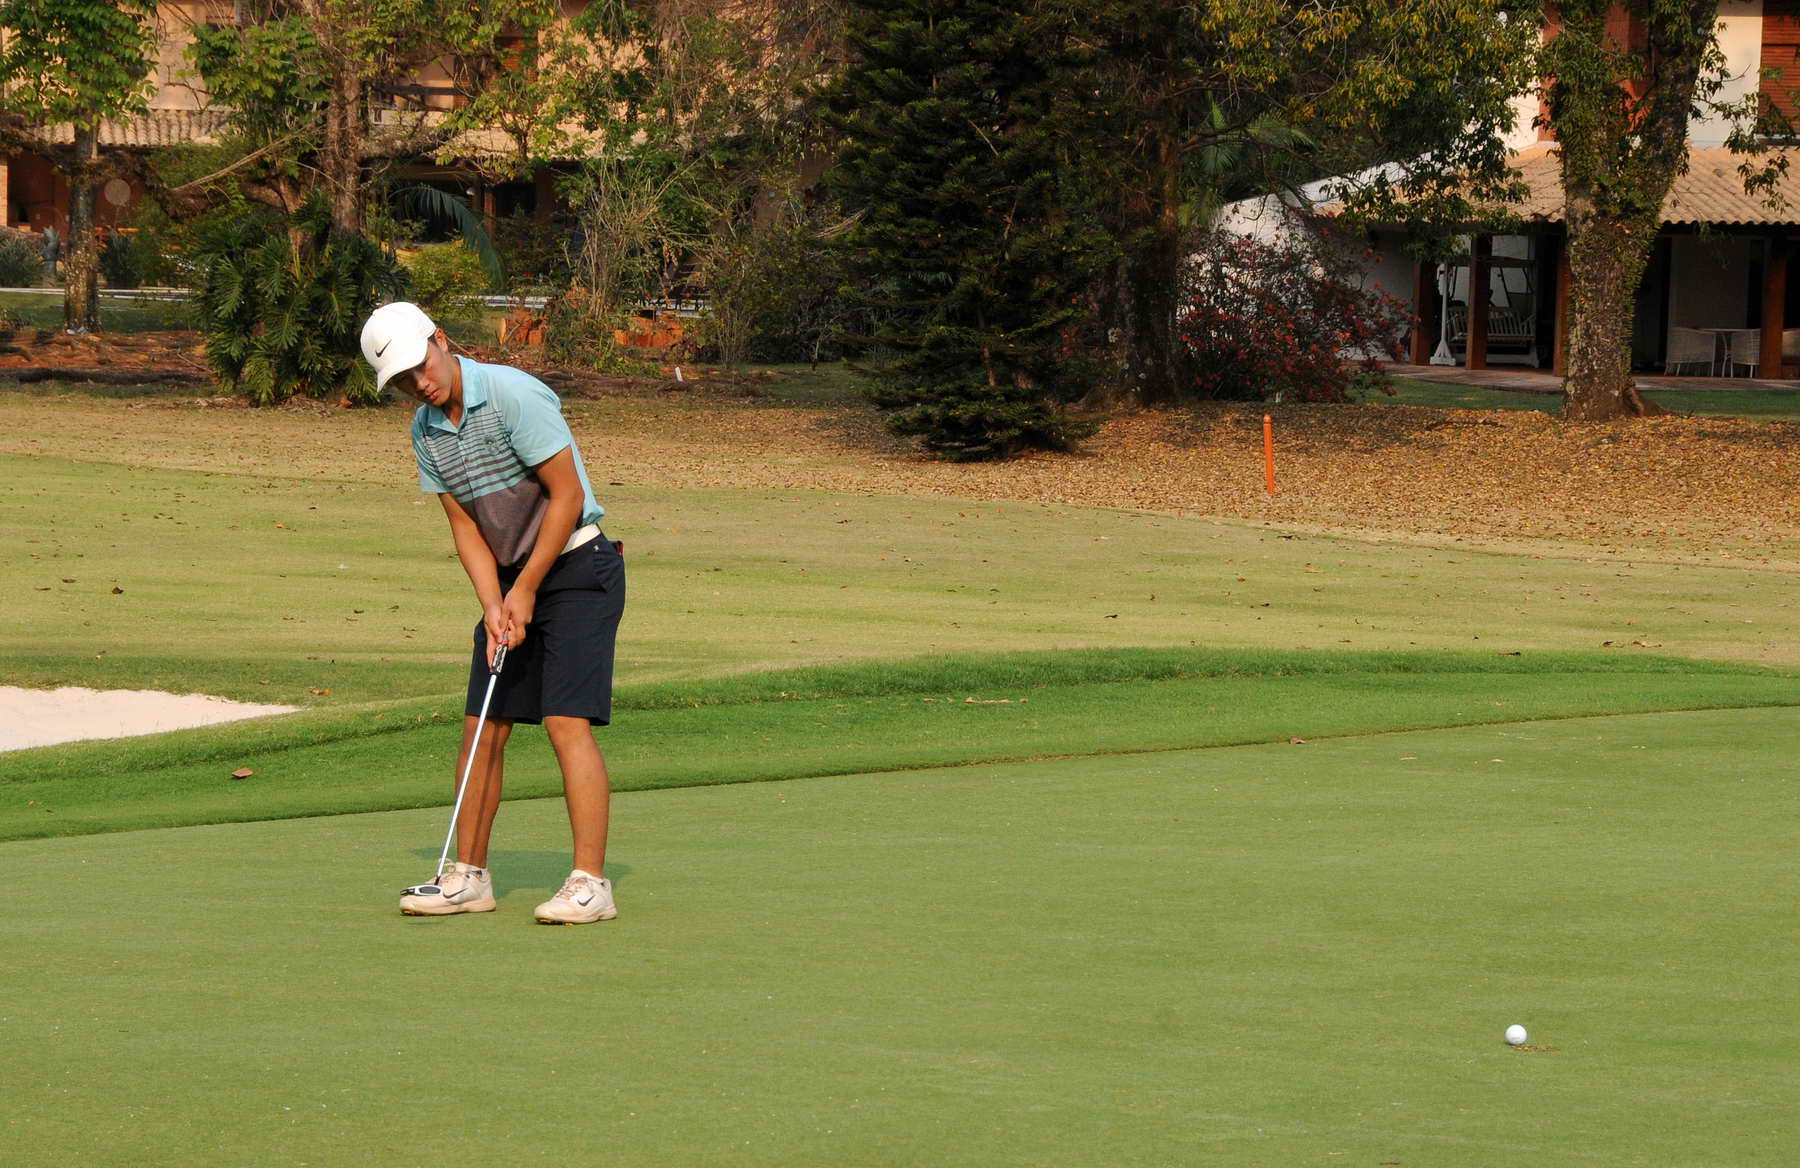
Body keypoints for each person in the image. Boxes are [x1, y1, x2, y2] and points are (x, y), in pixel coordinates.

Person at [361, 301, 625, 925]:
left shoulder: (512, 395)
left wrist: (526, 588)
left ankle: (591, 884)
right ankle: (469, 878)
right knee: (483, 726)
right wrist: (492, 603)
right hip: (509, 581)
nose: (418, 383)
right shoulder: (426, 431)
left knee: (565, 722)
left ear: (441, 340)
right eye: (401, 380)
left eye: (420, 366)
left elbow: (567, 497)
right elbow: (465, 526)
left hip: (578, 569)